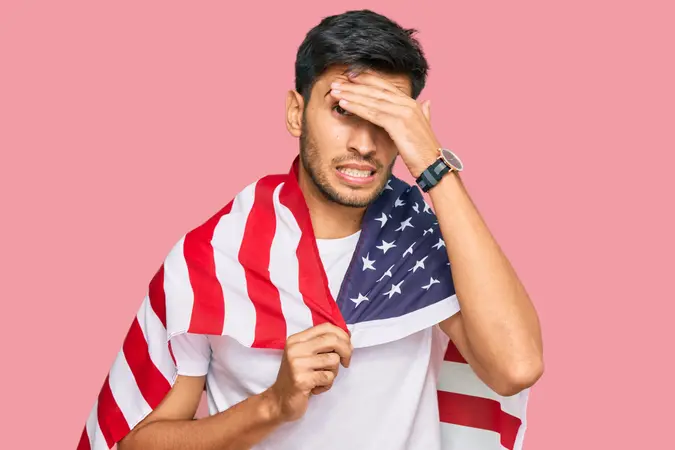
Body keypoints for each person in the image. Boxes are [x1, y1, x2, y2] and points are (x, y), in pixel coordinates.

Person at [78, 9, 544, 450]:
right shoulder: (215, 256)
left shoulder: (421, 242)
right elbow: (140, 442)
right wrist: (272, 405)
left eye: (386, 117)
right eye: (343, 110)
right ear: (296, 113)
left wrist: (432, 163)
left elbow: (516, 366)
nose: (364, 144)